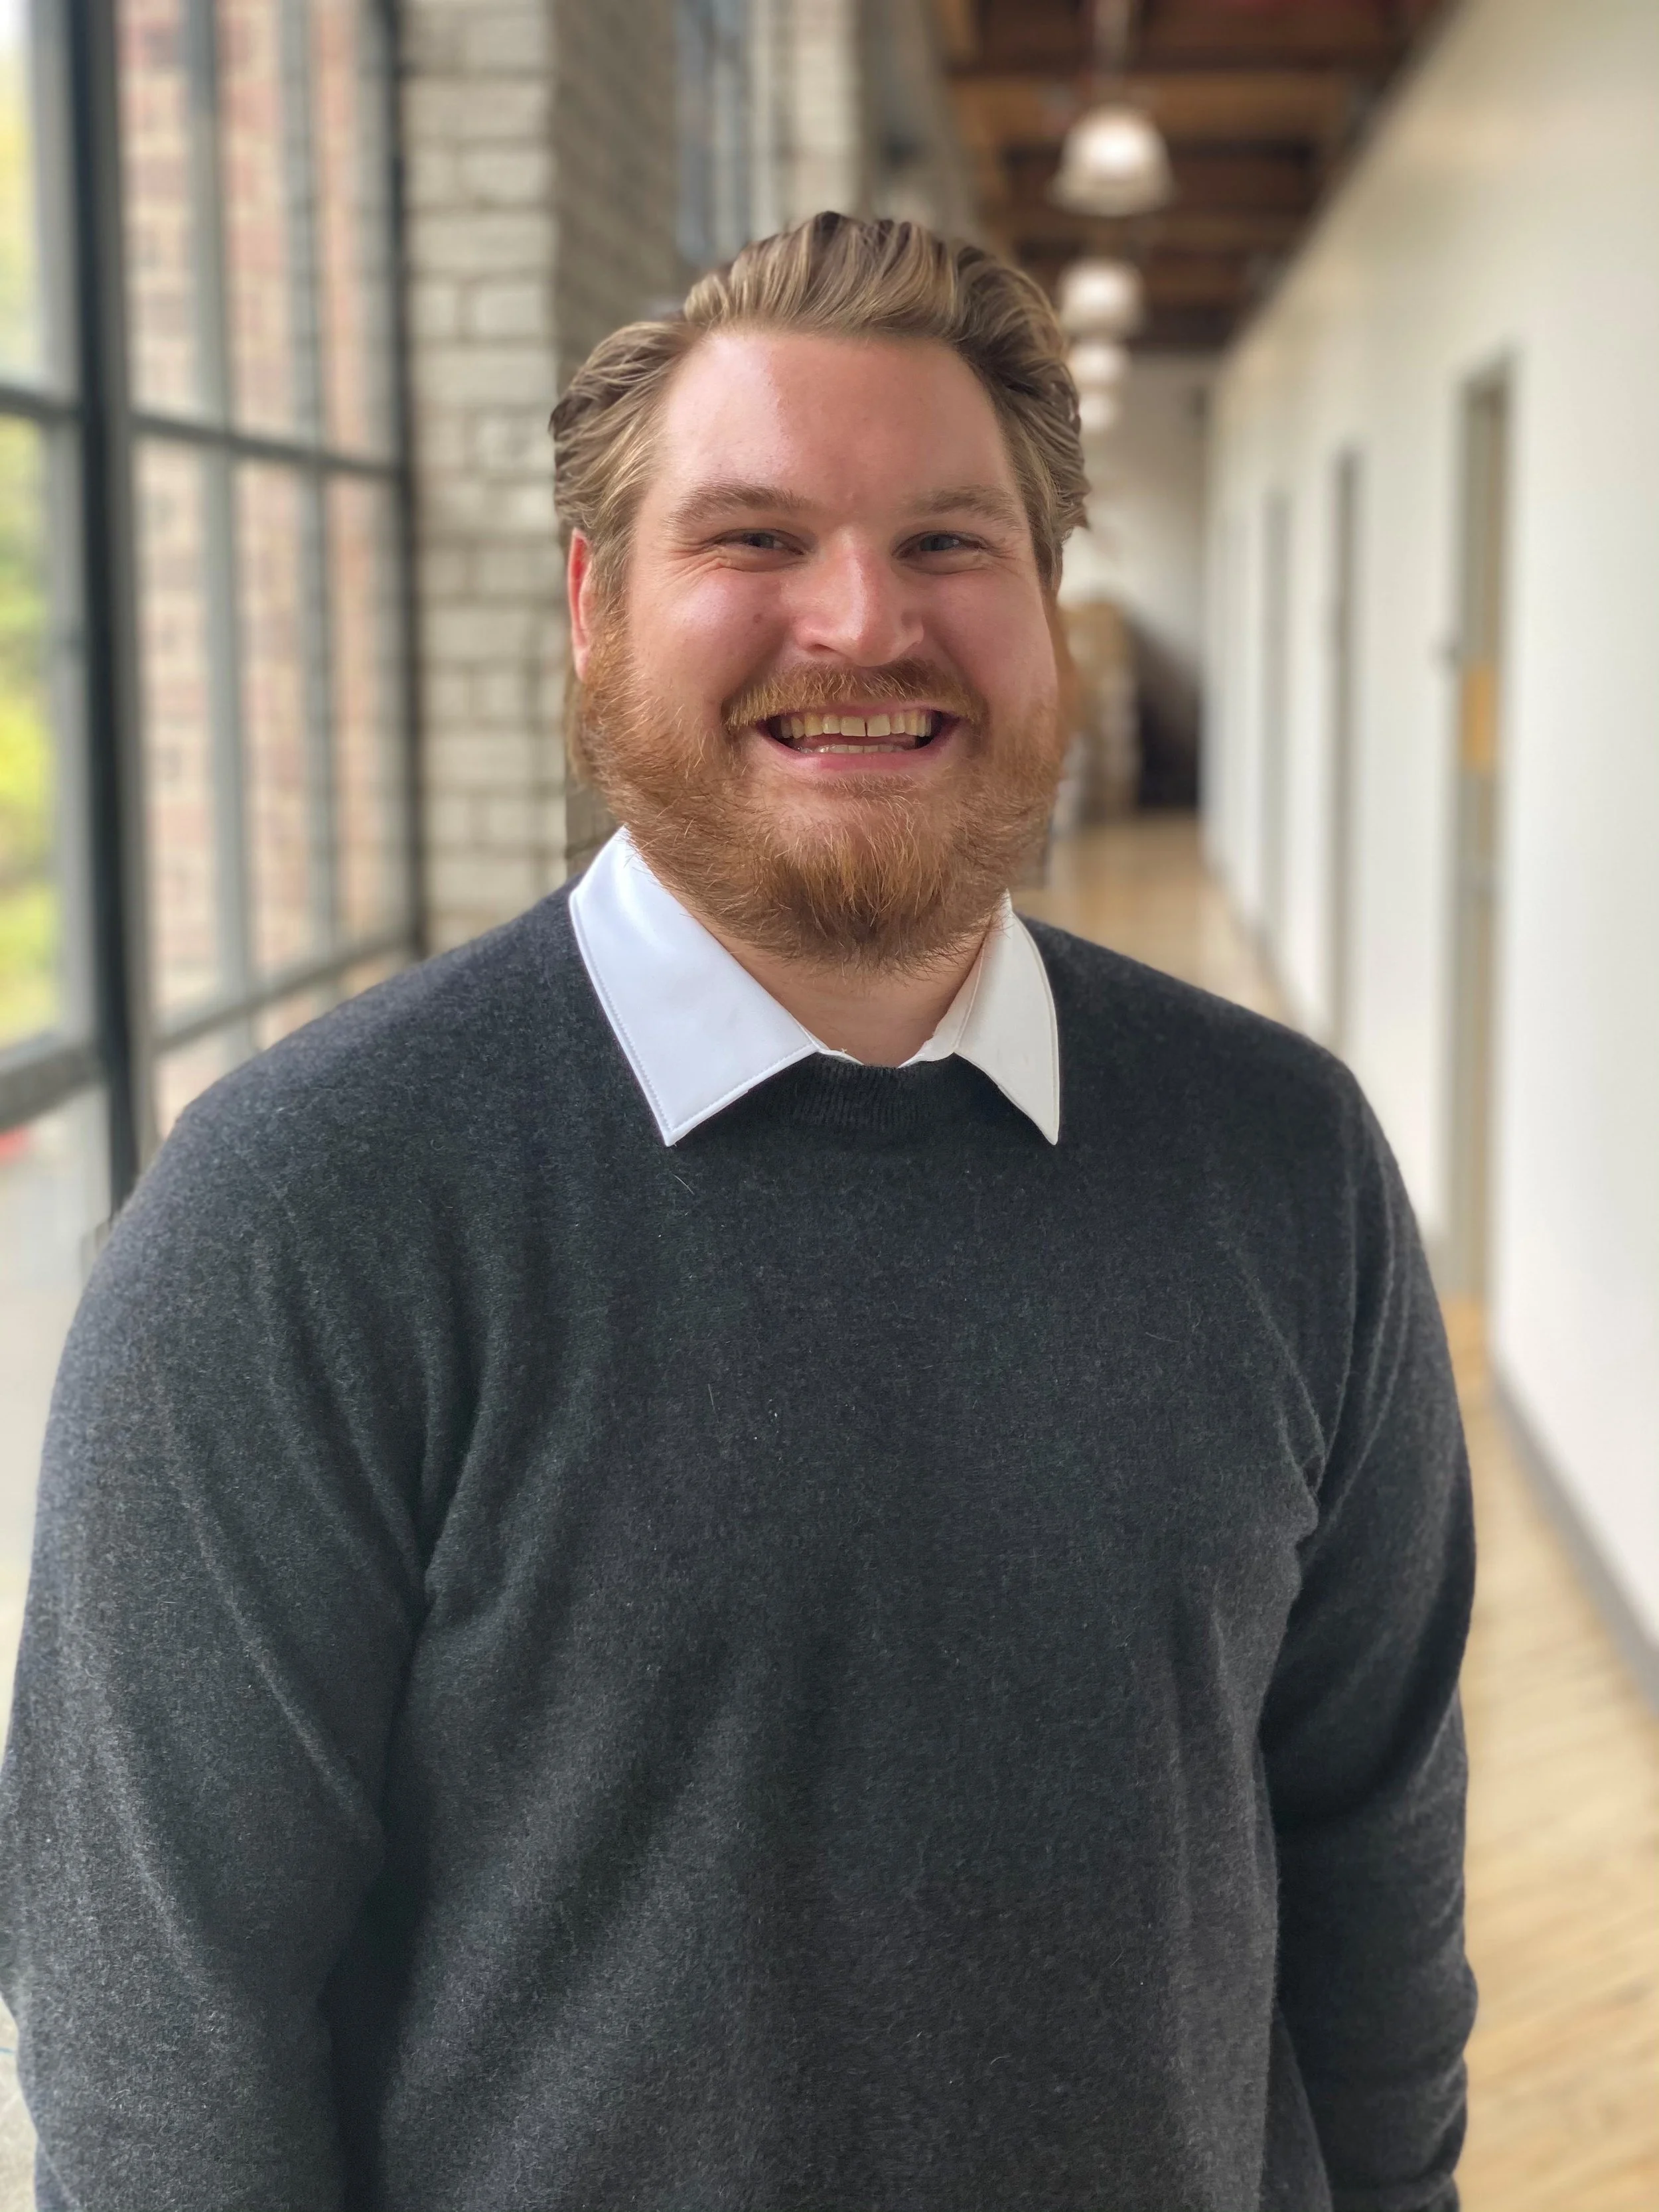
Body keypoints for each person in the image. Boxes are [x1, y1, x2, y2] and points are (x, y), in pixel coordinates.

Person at [0, 214, 1475, 2212]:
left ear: (1044, 604)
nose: (859, 621)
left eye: (950, 541)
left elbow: (1371, 1865)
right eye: (753, 539)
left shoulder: (1283, 1160)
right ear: (596, 607)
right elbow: (153, 2044)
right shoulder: (300, 1218)